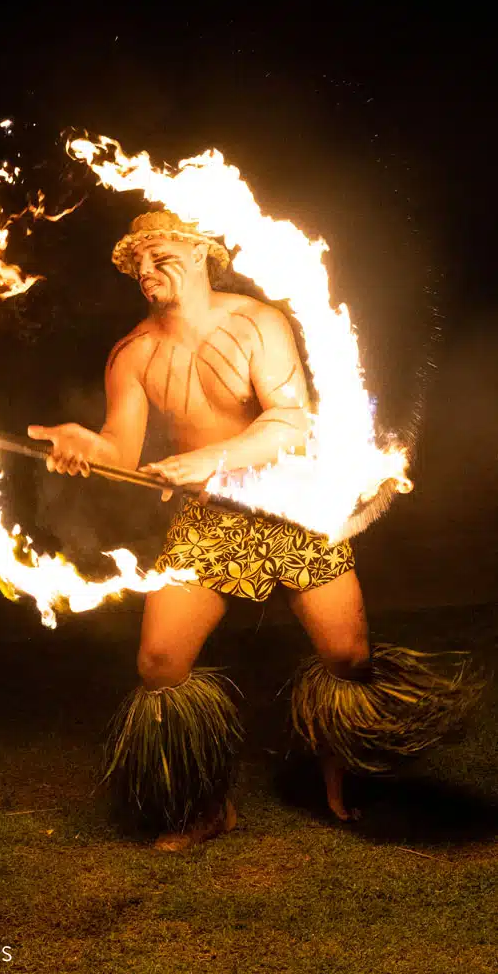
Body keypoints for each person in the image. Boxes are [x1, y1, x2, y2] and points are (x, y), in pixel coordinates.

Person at [28, 211, 482, 850]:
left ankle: (342, 773)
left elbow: (291, 422)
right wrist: (86, 446)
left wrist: (212, 459)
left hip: (288, 506)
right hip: (210, 518)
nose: (146, 272)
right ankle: (203, 805)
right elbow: (120, 452)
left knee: (347, 657)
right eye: (138, 264)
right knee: (159, 663)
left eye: (160, 258)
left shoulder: (256, 323)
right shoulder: (133, 354)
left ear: (201, 253)